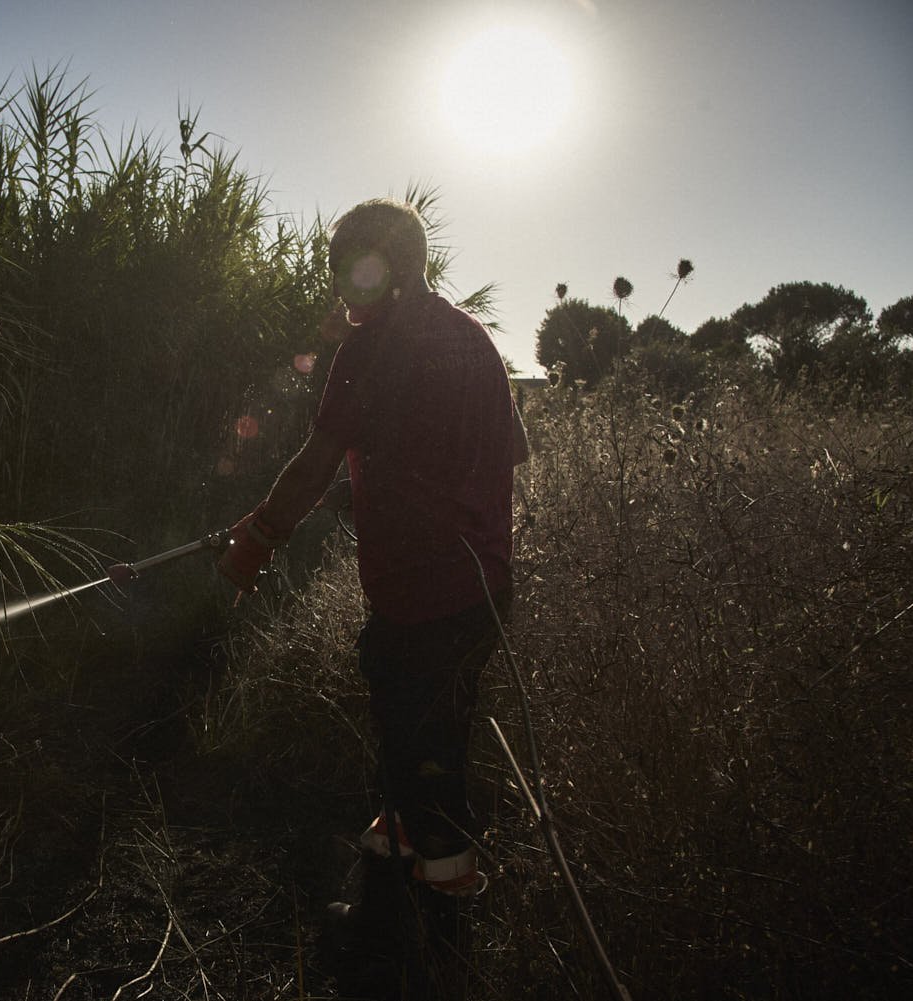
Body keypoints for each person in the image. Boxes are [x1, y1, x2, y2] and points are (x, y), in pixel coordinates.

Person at [217, 198, 529, 994]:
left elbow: (317, 460)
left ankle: (436, 948)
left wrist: (257, 539)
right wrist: (387, 492)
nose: (339, 284)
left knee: (430, 767)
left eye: (348, 266)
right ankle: (398, 903)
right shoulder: (471, 339)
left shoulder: (368, 350)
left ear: (379, 266)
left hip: (424, 601)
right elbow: (502, 460)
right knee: (423, 741)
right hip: (483, 594)